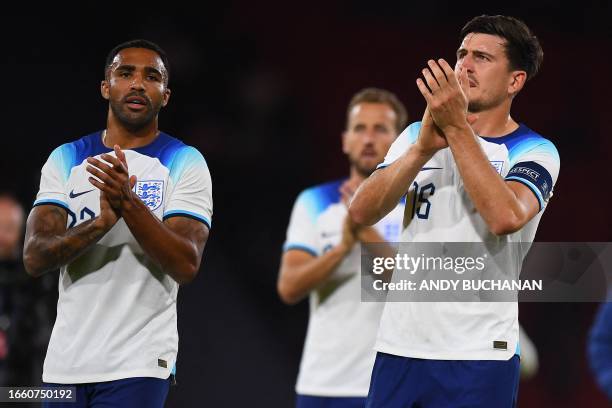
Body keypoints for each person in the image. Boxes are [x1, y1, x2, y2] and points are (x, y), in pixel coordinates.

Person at [349, 15, 560, 407]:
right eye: (461, 54)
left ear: (515, 81)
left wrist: (458, 129)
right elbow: (361, 212)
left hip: (479, 355)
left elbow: (505, 217)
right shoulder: (415, 136)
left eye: (482, 57)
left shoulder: (535, 150)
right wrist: (422, 149)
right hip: (400, 347)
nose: (464, 65)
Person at [23, 39, 212, 408]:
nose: (138, 84)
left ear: (166, 95)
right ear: (106, 87)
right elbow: (34, 258)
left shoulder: (184, 162)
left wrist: (129, 204)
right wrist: (99, 224)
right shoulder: (67, 158)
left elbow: (186, 263)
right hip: (65, 363)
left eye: (151, 76)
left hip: (138, 361)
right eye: (125, 73)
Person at [278, 88, 408, 408]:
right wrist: (340, 249)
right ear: (345, 140)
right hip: (320, 381)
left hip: (385, 383)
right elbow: (289, 288)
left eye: (381, 129)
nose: (368, 138)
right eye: (359, 128)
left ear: (401, 142)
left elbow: (412, 287)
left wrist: (364, 230)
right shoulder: (314, 201)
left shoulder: (417, 205)